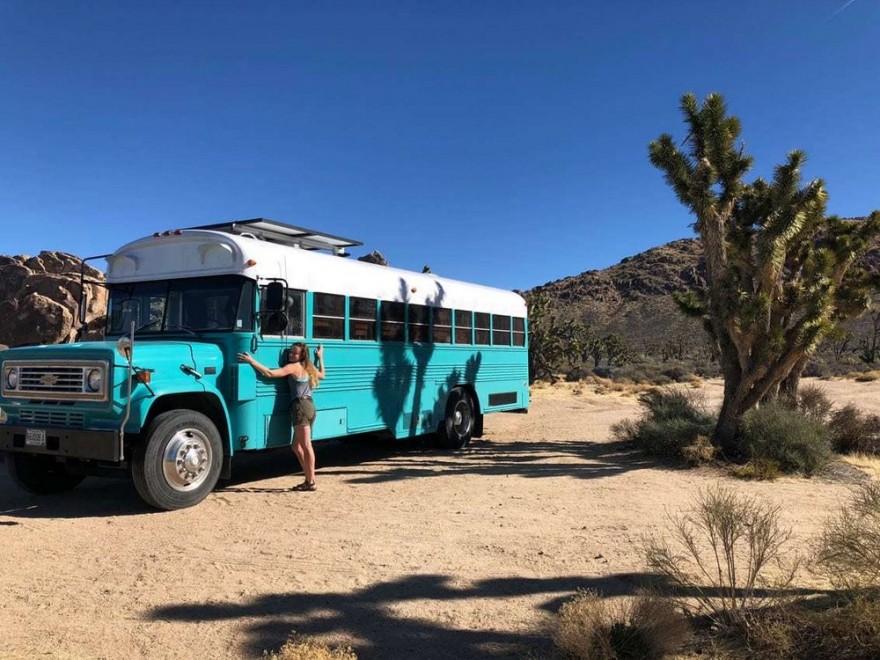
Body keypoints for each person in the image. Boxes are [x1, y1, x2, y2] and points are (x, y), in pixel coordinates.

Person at [237, 343, 326, 491]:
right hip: (310, 406)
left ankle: (311, 482)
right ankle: (308, 479)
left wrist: (252, 361)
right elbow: (323, 375)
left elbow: (270, 373)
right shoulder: (309, 367)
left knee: (305, 445)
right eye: (290, 353)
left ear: (301, 355)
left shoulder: (293, 367)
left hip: (300, 407)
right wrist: (320, 358)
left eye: (295, 353)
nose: (291, 355)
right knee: (296, 446)